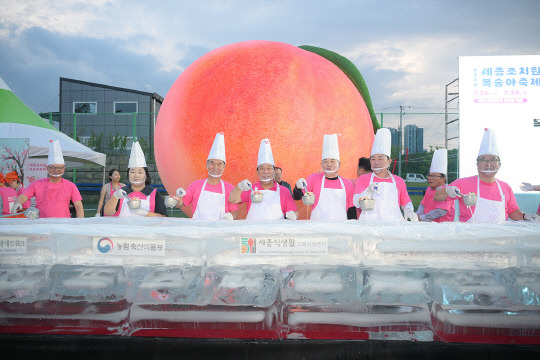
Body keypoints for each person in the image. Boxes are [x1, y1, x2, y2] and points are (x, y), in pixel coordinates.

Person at [434, 128, 539, 223]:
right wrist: (448, 191)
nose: (488, 163)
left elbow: (512, 211)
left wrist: (525, 216)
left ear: (500, 164)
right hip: (470, 237)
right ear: (477, 164)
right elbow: (437, 196)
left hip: (499, 238)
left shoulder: (505, 187)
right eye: (483, 159)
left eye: (493, 159)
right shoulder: (463, 183)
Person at [353, 128, 418, 222]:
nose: (376, 162)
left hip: (393, 224)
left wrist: (409, 211)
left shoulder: (398, 181)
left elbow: (406, 202)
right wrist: (368, 191)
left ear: (389, 161)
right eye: (373, 159)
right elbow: (356, 202)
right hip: (369, 225)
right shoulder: (363, 179)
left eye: (380, 159)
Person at [173, 133, 239, 220]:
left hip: (221, 230)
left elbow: (235, 212)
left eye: (219, 164)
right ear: (206, 165)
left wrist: (231, 217)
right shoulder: (196, 185)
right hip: (198, 230)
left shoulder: (230, 189)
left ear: (224, 167)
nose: (215, 168)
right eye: (212, 163)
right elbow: (180, 204)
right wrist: (178, 197)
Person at [229, 138, 298, 220]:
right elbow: (232, 200)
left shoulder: (284, 191)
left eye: (269, 168)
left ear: (273, 171)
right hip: (254, 231)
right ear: (257, 172)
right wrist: (239, 187)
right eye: (262, 168)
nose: (265, 172)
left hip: (276, 232)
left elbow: (295, 212)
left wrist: (294, 215)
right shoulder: (250, 188)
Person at [12, 140, 84, 218]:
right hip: (42, 224)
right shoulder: (37, 184)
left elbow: (79, 206)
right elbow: (22, 197)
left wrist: (80, 222)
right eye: (53, 167)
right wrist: (17, 203)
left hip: (63, 225)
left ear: (64, 168)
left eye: (59, 168)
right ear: (47, 168)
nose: (56, 170)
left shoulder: (70, 186)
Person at [293, 134, 356, 220]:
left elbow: (351, 209)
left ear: (339, 164)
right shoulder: (314, 178)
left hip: (340, 229)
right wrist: (298, 187)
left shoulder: (347, 184)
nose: (328, 164)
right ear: (321, 164)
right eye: (325, 161)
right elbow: (297, 196)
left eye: (332, 161)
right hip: (317, 228)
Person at [103, 141, 166, 217]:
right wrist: (115, 196)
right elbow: (107, 212)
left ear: (146, 175)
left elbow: (163, 217)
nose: (136, 175)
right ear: (128, 174)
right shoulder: (122, 192)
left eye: (140, 172)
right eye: (132, 172)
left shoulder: (154, 193)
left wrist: (144, 212)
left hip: (146, 228)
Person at [416, 149, 454, 222]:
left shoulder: (447, 191)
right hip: (427, 225)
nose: (431, 178)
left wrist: (421, 218)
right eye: (429, 175)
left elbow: (440, 211)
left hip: (442, 227)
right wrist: (417, 215)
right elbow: (422, 205)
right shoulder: (429, 189)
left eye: (435, 176)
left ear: (443, 179)